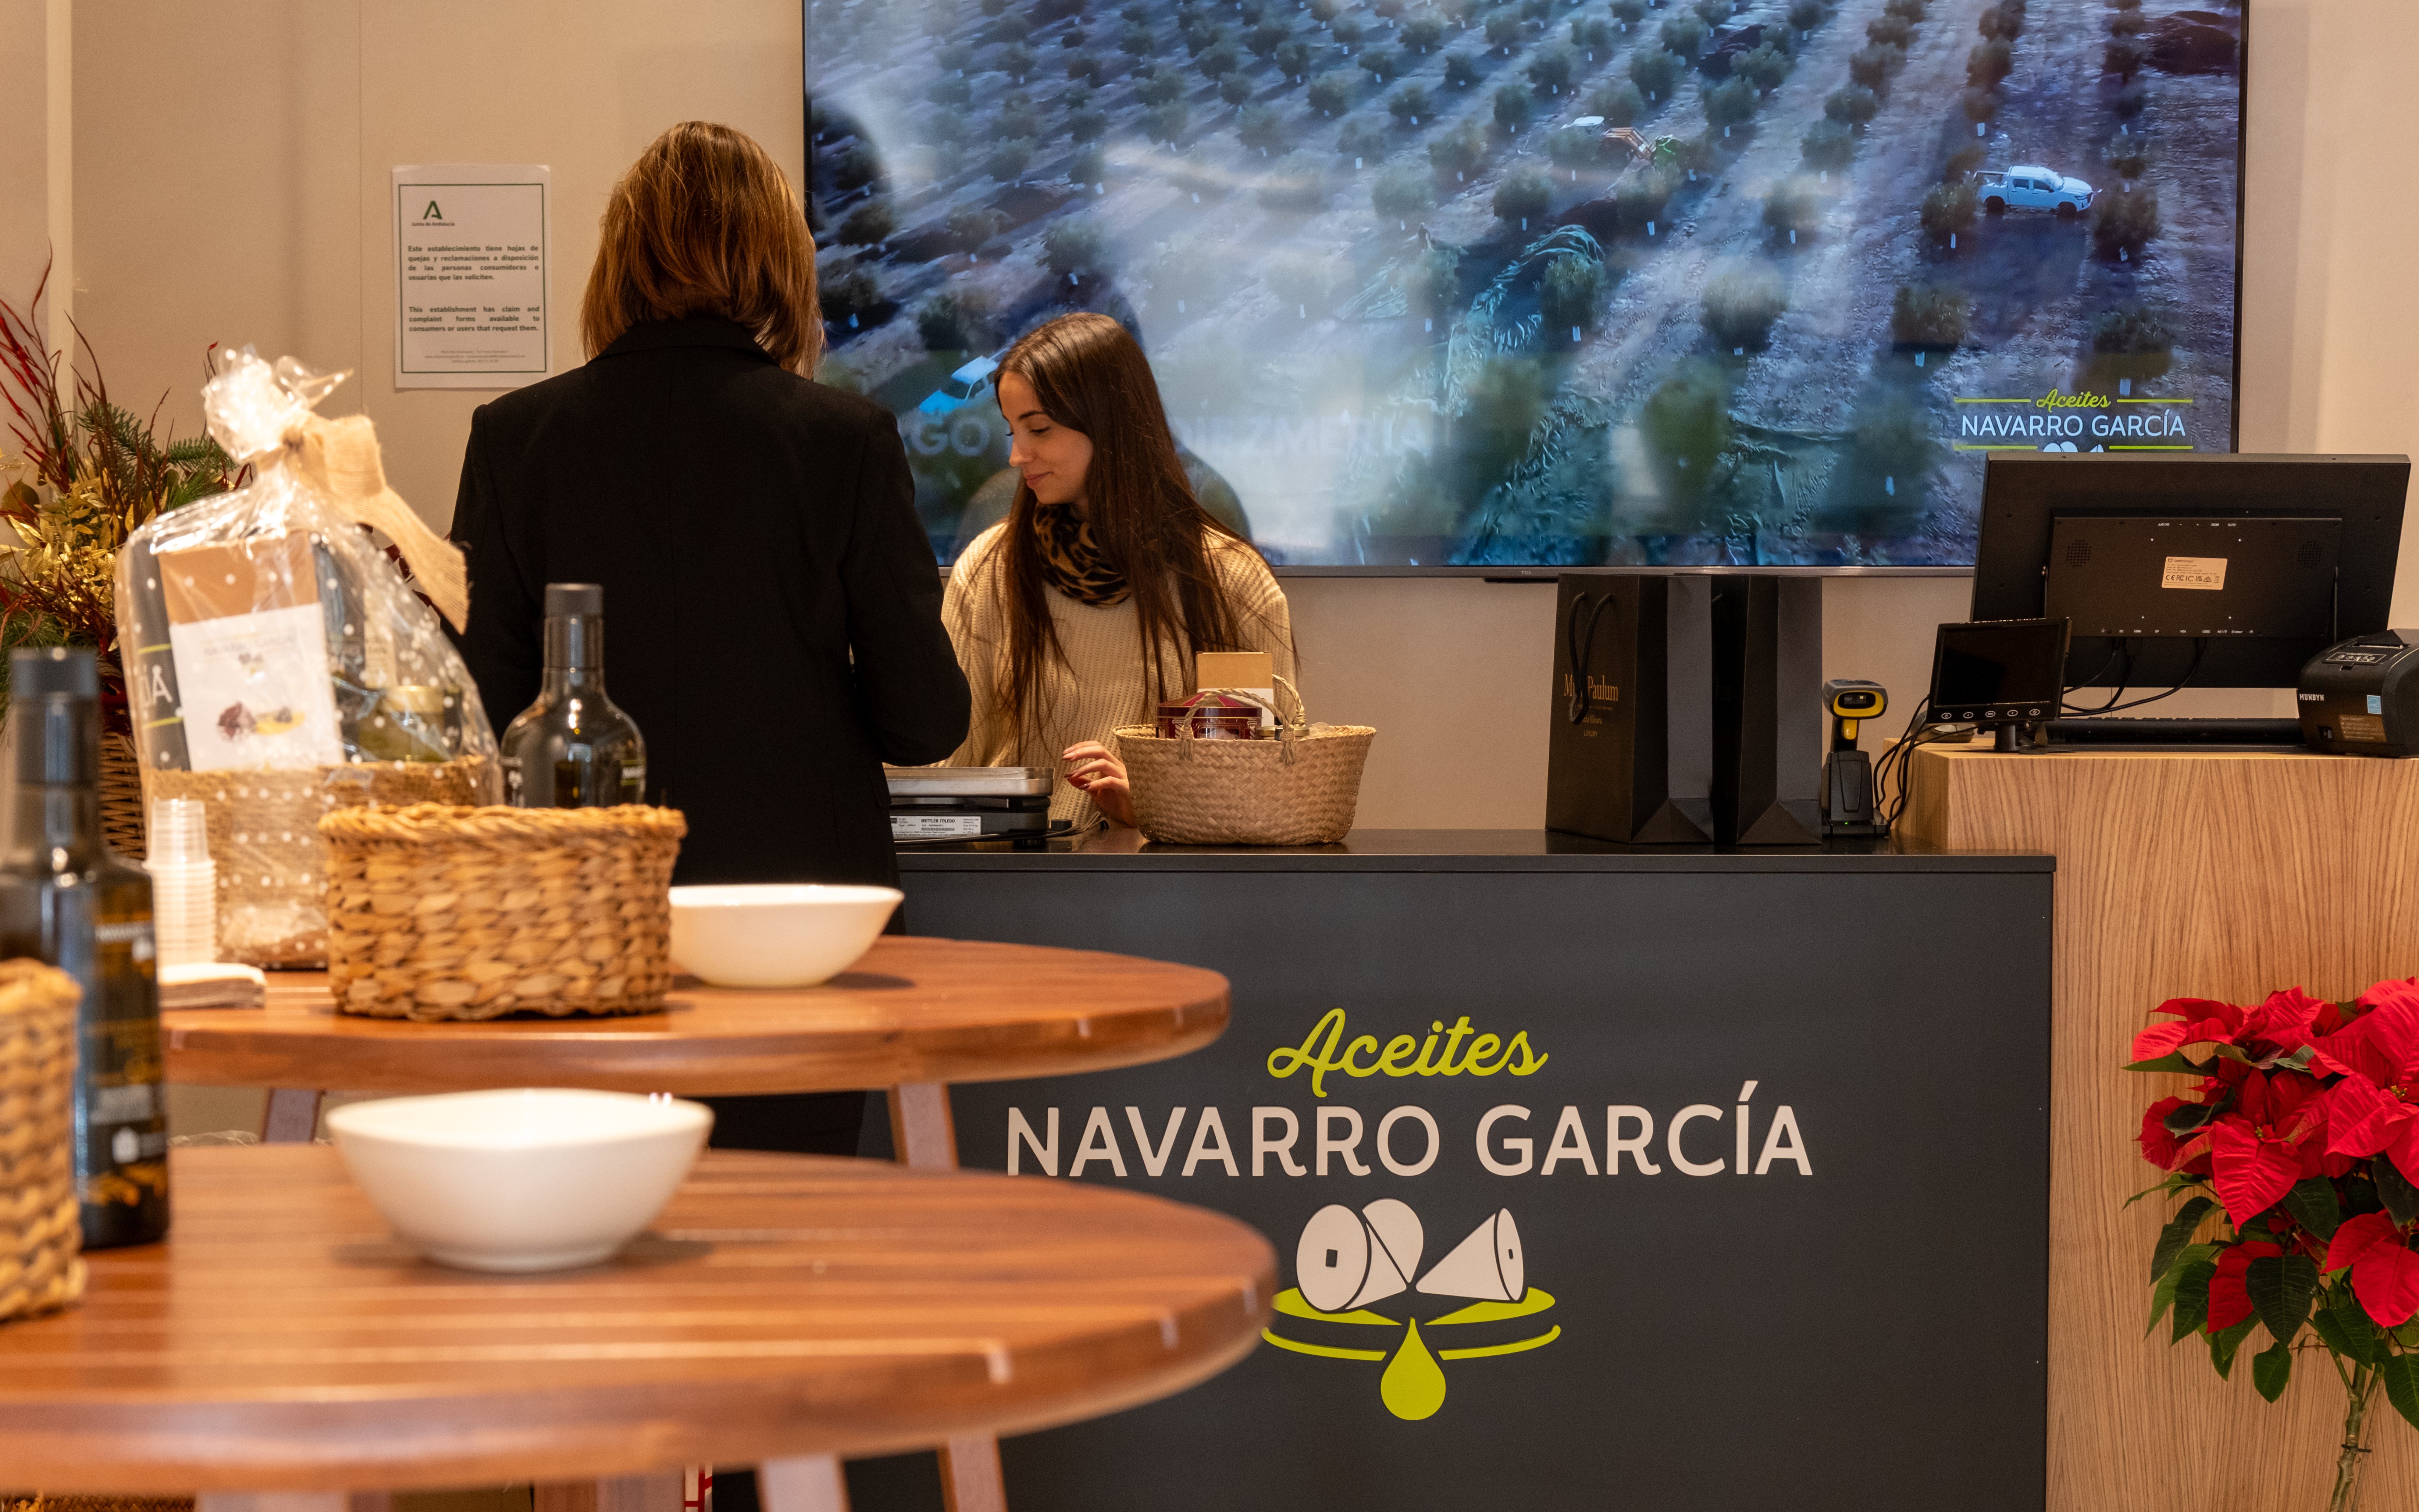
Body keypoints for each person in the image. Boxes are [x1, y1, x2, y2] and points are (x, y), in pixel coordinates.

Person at [449, 121, 968, 1154]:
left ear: (619, 260)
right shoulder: (844, 441)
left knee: (595, 1243)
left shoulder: (514, 438)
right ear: (782, 261)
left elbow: (482, 718)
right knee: (786, 1246)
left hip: (576, 924)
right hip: (802, 931)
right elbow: (923, 723)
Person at [942, 312, 1294, 827]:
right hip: (1015, 885)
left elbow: (1265, 785)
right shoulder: (989, 570)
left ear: (1110, 423)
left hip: (1175, 891)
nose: (1018, 455)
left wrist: (1158, 804)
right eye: (1012, 430)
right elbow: (944, 770)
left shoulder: (1229, 580)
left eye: (1038, 428)